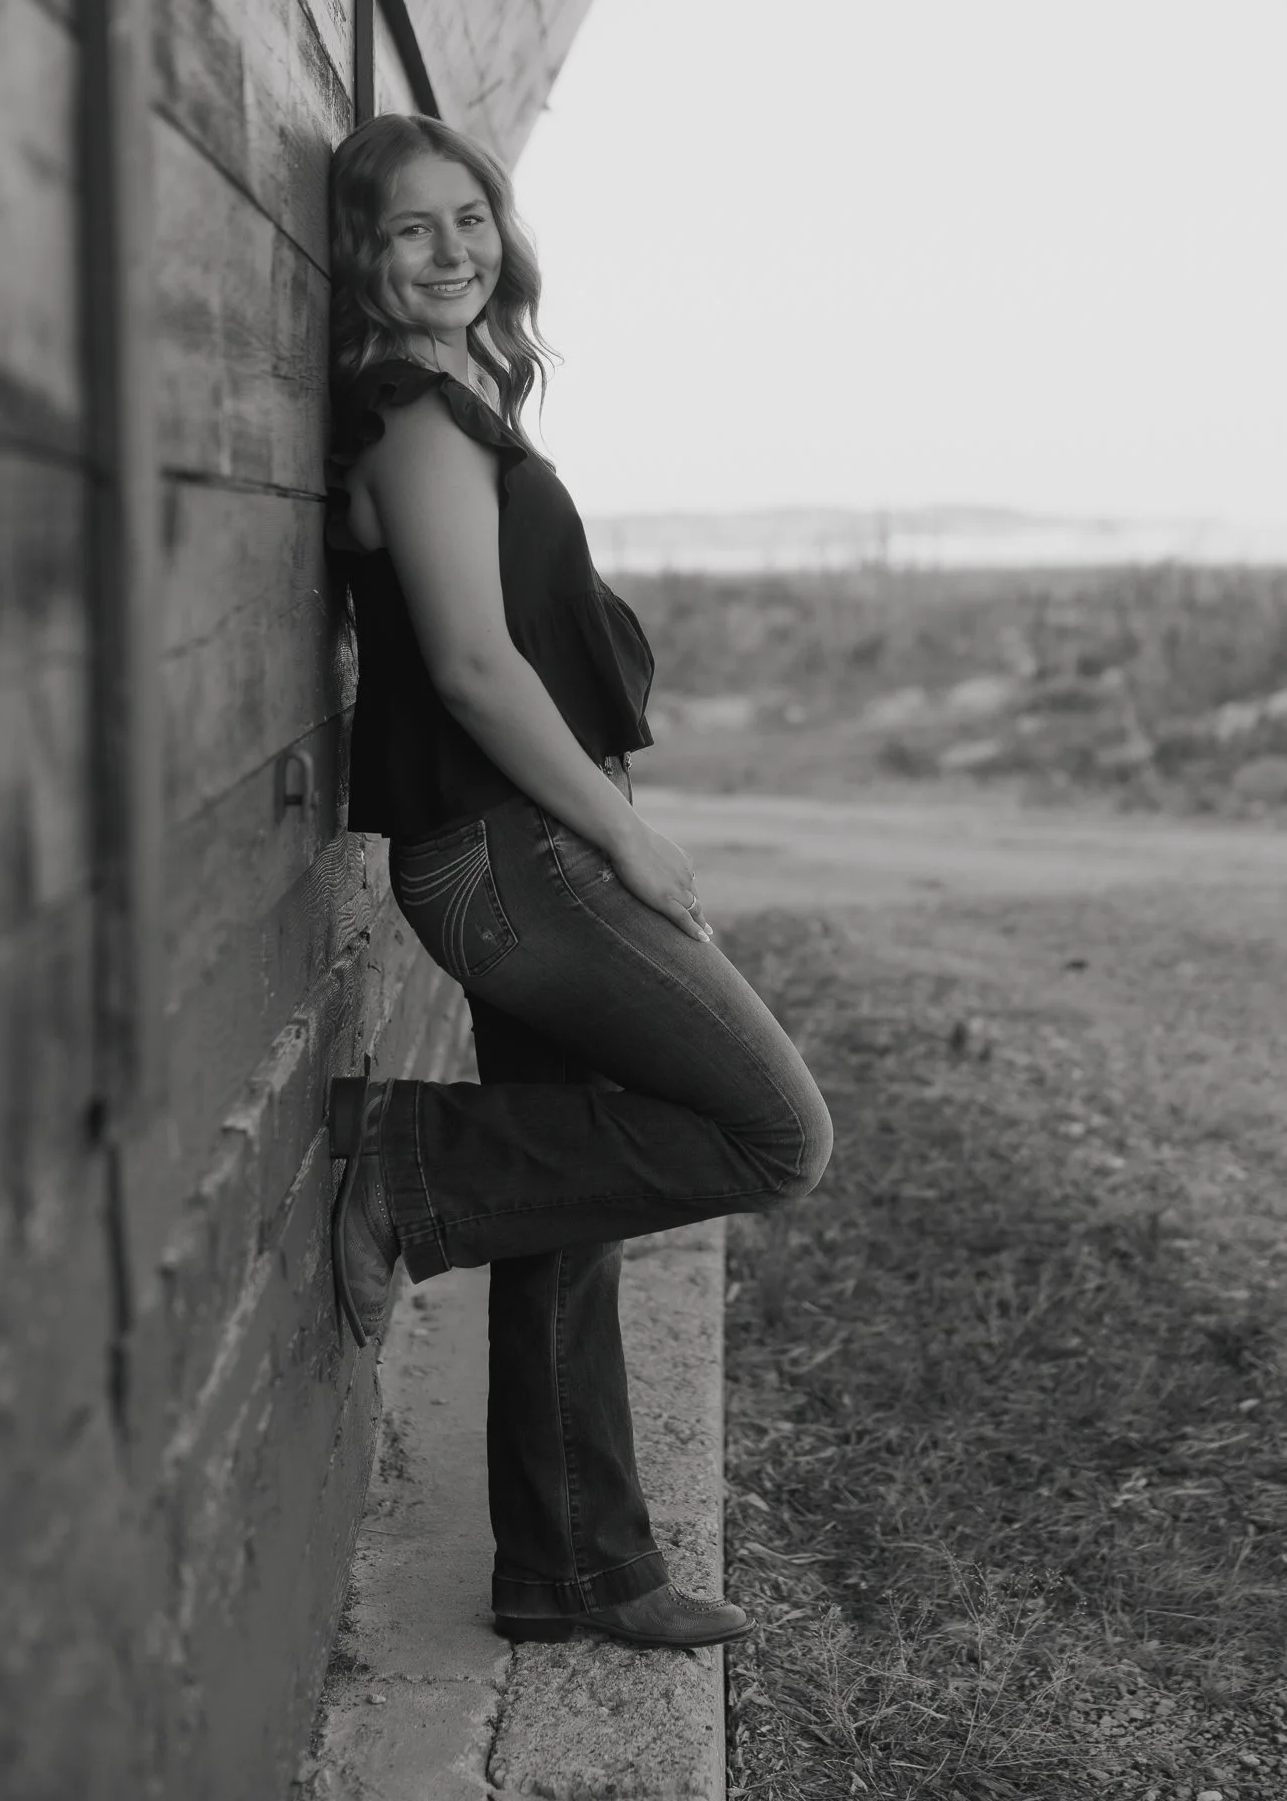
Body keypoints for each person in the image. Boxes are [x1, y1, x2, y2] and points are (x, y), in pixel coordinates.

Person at [323, 112, 833, 1652]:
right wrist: (623, 839)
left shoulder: (472, 397)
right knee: (772, 1132)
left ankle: (573, 1571)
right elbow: (474, 672)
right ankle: (411, 1160)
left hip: (520, 850)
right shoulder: (414, 417)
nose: (452, 249)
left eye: (469, 215)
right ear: (363, 254)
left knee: (567, 1211)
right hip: (510, 861)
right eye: (412, 229)